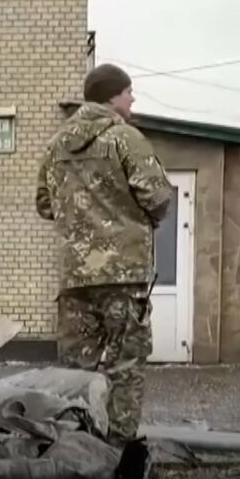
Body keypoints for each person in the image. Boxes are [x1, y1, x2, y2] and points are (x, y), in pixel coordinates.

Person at [35, 64, 174, 447]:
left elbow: (44, 204)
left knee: (74, 372)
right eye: (129, 92)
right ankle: (117, 451)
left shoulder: (57, 144)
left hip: (75, 278)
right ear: (113, 96)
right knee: (124, 366)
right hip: (123, 276)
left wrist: (80, 219)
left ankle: (75, 449)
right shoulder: (125, 138)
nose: (133, 99)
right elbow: (158, 197)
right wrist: (129, 218)